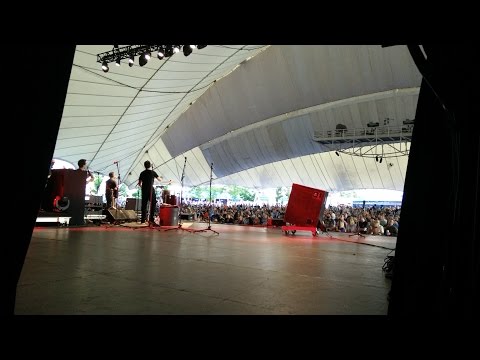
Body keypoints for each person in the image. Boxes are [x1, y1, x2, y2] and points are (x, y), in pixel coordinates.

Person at [138, 160, 163, 225]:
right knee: (153, 203)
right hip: (151, 190)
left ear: (144, 166)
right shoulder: (153, 172)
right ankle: (151, 219)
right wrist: (160, 177)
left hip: (144, 190)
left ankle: (143, 220)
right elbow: (160, 179)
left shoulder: (142, 173)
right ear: (150, 165)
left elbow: (139, 183)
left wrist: (142, 187)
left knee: (144, 204)